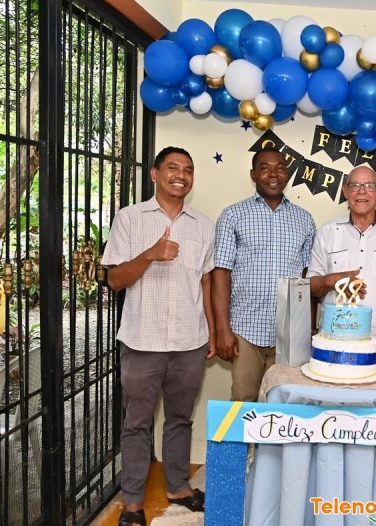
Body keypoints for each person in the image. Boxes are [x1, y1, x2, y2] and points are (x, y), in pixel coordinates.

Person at [102, 147, 215, 526]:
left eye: (188, 169)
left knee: (180, 419)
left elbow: (206, 282)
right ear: (154, 174)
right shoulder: (130, 218)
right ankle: (133, 502)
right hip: (142, 342)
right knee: (137, 423)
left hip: (189, 342)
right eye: (172, 167)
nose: (181, 175)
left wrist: (212, 332)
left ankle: (178, 488)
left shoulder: (203, 225)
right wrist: (150, 254)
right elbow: (115, 280)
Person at [212, 147, 316, 401]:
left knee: (284, 406)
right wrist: (222, 329)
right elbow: (221, 273)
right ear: (253, 174)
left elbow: (309, 280)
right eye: (265, 168)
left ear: (287, 174)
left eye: (280, 168)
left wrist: (309, 331)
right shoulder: (233, 215)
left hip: (290, 334)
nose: (273, 174)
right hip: (245, 329)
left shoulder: (304, 219)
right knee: (243, 403)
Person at [307, 166, 376, 364]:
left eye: (369, 185)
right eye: (355, 185)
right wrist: (331, 281)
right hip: (333, 345)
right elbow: (311, 287)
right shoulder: (327, 232)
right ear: (345, 191)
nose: (362, 191)